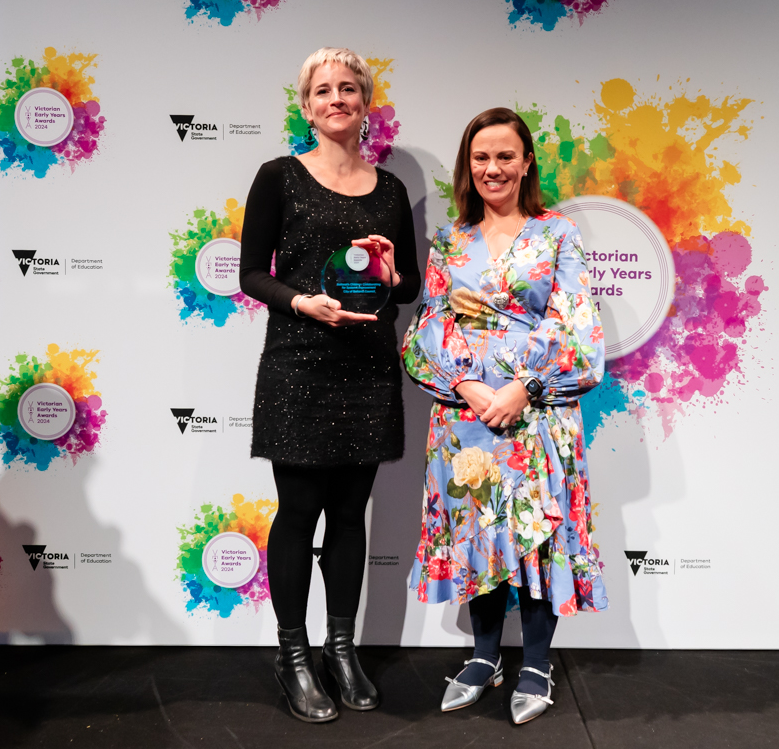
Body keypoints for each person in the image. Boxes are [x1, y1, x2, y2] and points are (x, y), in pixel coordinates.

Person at [401, 107, 607, 724]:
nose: (493, 168)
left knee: (536, 538)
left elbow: (576, 322)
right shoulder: (450, 240)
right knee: (477, 531)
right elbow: (427, 327)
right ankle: (485, 655)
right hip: (464, 415)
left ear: (526, 164)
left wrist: (525, 387)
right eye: (481, 157)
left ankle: (538, 662)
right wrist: (465, 384)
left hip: (536, 414)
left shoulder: (557, 235)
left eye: (505, 156)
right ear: (470, 166)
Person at [238, 47, 421, 723]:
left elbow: (410, 287)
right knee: (300, 512)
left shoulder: (392, 191)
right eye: (323, 90)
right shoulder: (279, 177)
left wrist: (393, 277)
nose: (337, 98)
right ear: (306, 106)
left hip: (368, 370)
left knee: (350, 516)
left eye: (349, 88)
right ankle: (294, 659)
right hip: (300, 366)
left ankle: (341, 650)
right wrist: (300, 303)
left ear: (365, 103)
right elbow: (252, 273)